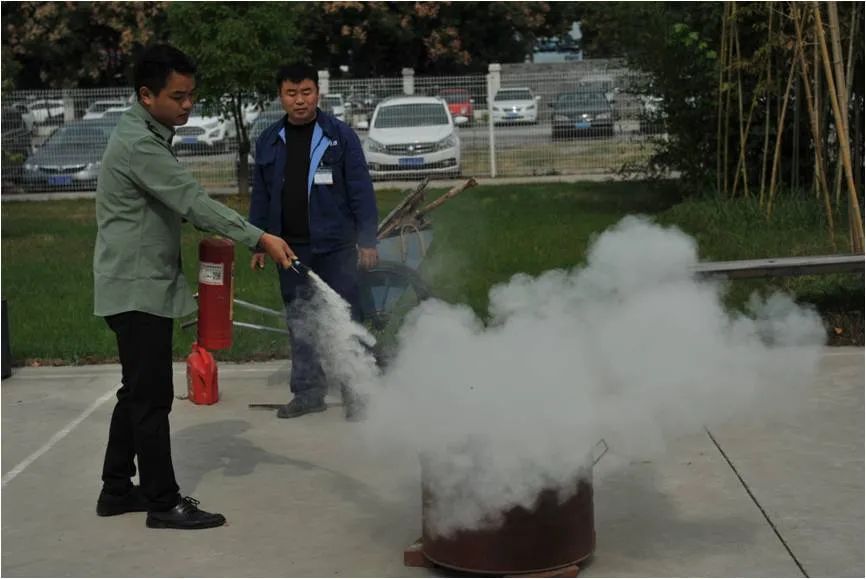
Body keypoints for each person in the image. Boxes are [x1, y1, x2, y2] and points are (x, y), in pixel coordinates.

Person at [92, 44, 295, 530]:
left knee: (136, 391)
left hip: (138, 284)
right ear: (147, 95)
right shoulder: (140, 145)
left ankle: (116, 490)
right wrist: (259, 237)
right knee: (151, 399)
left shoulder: (145, 133)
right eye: (178, 96)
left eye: (191, 95)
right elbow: (192, 200)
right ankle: (163, 502)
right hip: (137, 290)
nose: (188, 105)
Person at [249, 63, 378, 421]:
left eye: (306, 92)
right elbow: (261, 196)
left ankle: (358, 392)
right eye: (291, 93)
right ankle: (308, 392)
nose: (300, 100)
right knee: (300, 319)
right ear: (281, 97)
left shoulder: (340, 136)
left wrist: (367, 239)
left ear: (317, 93)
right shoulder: (269, 140)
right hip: (289, 250)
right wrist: (258, 242)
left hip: (337, 246)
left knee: (347, 317)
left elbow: (361, 189)